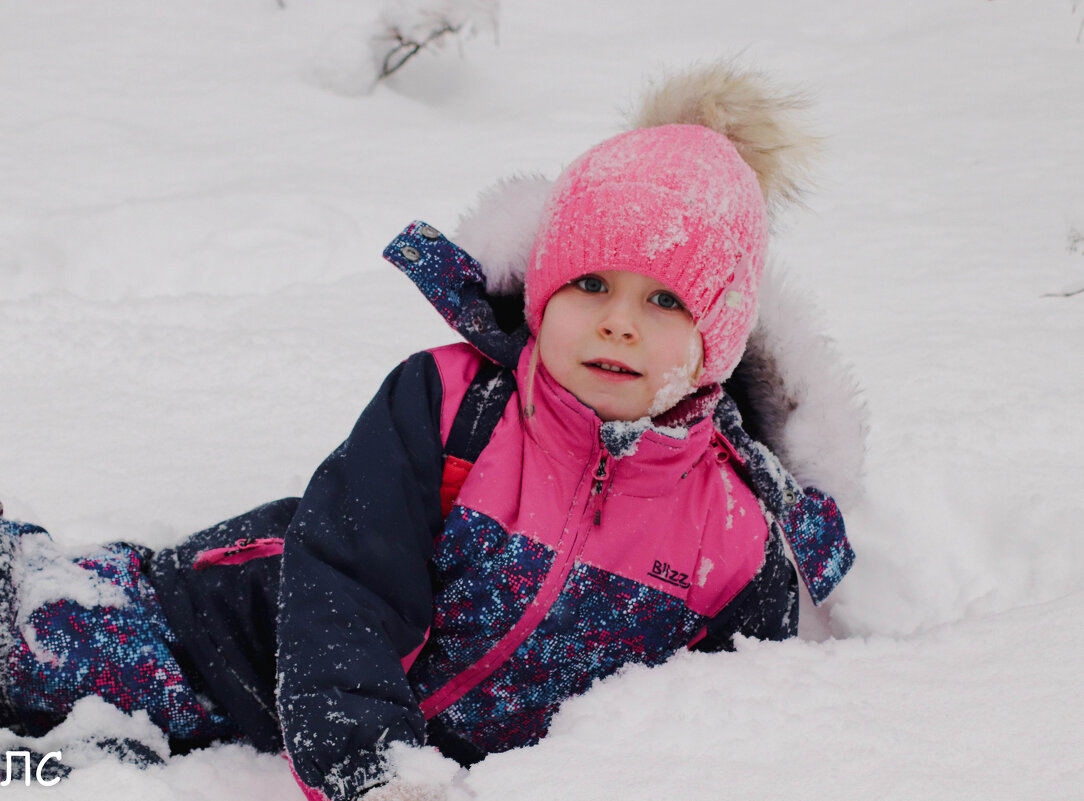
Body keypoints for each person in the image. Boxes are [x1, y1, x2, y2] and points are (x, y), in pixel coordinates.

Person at [0, 63, 863, 799]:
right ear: (542, 294)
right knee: (54, 632)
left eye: (665, 300)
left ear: (719, 340)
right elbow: (346, 581)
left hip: (329, 741)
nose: (619, 324)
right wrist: (372, 765)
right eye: (591, 284)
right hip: (229, 635)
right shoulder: (453, 406)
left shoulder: (736, 535)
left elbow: (741, 706)